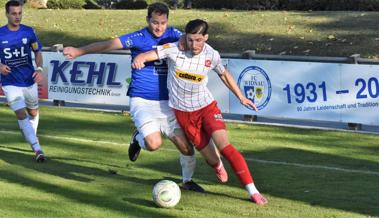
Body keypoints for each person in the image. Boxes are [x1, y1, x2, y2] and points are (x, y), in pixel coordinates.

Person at [63, 3, 223, 191]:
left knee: (187, 147)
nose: (159, 27)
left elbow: (199, 43)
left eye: (163, 23)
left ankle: (187, 181)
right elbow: (108, 44)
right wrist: (79, 51)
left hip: (169, 104)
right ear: (148, 20)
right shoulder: (137, 38)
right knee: (154, 144)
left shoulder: (175, 35)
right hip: (142, 101)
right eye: (155, 22)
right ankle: (138, 139)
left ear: (167, 22)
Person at [132, 19, 268, 205]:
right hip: (184, 115)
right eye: (190, 40)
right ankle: (217, 165)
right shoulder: (174, 49)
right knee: (213, 160)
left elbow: (224, 74)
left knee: (224, 146)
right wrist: (141, 58)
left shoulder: (212, 54)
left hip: (206, 107)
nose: (193, 45)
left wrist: (241, 97)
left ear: (206, 37)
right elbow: (152, 54)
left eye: (198, 40)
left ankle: (252, 190)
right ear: (185, 38)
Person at [0, 0, 45, 162]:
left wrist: (39, 69)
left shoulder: (28, 32)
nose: (17, 16)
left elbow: (38, 52)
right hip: (9, 82)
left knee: (33, 112)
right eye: (14, 13)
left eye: (19, 13)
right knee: (20, 113)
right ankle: (37, 148)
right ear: (6, 14)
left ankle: (29, 134)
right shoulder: (0, 34)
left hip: (28, 79)